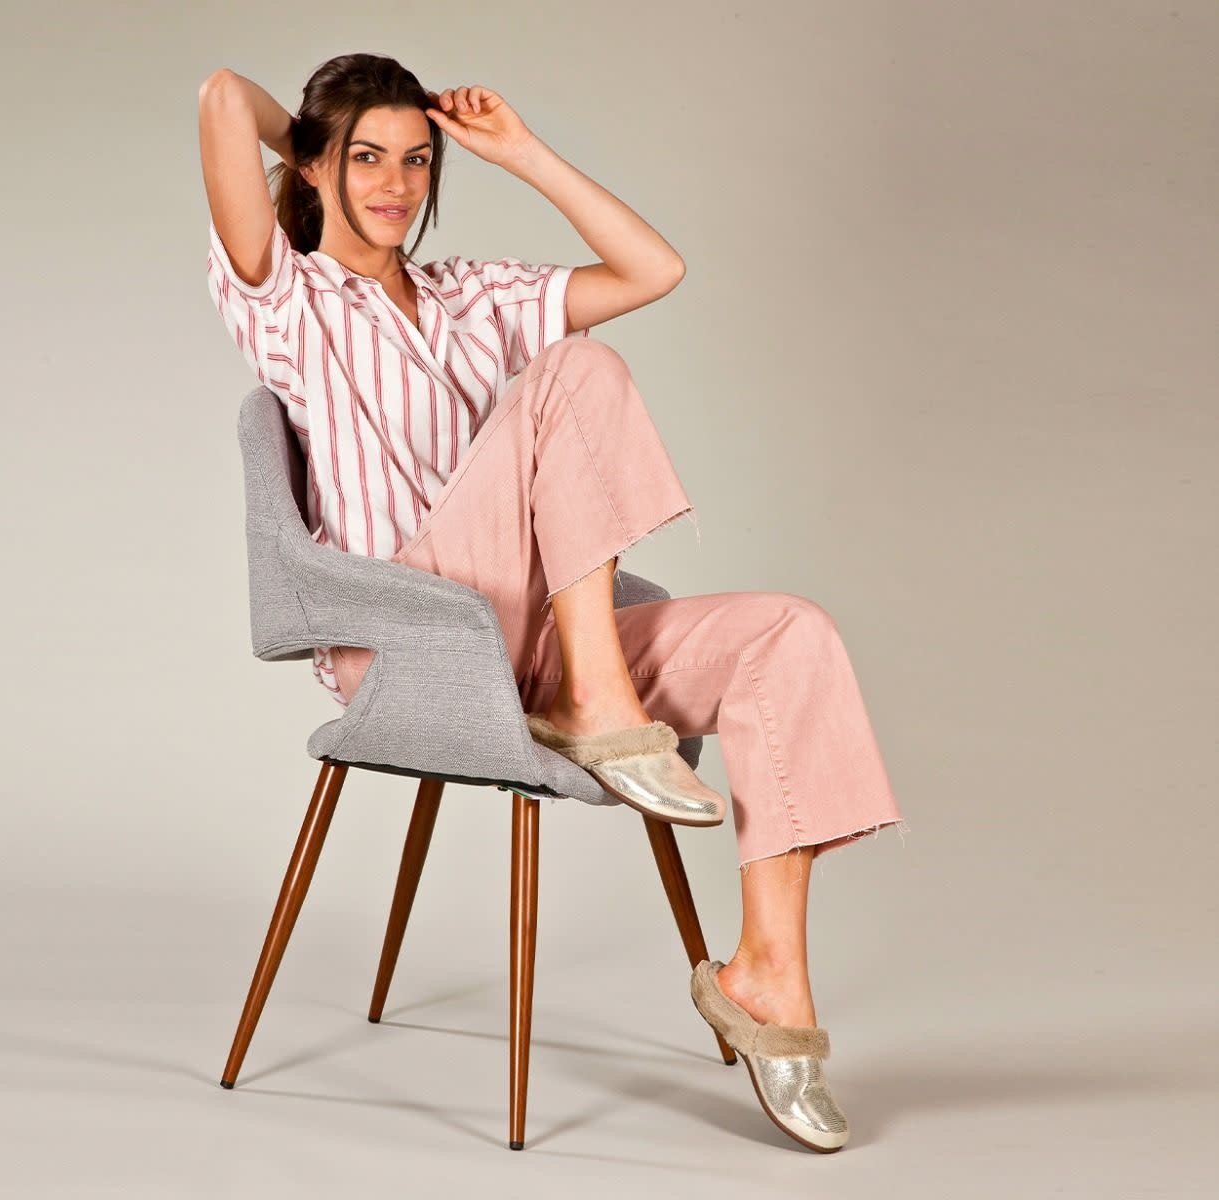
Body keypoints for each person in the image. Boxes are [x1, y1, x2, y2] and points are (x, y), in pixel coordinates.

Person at [199, 54, 907, 1152]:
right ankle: (597, 705)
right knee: (576, 371)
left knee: (789, 635)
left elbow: (655, 267)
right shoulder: (288, 300)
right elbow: (218, 97)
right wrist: (311, 145)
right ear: (317, 165)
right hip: (409, 641)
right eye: (369, 158)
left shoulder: (470, 295)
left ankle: (770, 973)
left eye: (417, 161)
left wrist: (520, 152)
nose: (396, 184)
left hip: (532, 639)